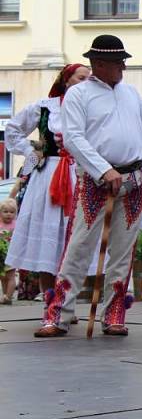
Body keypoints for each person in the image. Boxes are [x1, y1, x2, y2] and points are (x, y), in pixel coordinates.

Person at [33, 34, 142, 338]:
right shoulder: (78, 95)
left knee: (123, 252)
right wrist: (103, 169)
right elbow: (74, 138)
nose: (123, 66)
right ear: (98, 63)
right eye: (117, 62)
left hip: (134, 180)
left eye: (123, 61)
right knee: (78, 248)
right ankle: (58, 314)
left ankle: (114, 313)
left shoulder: (131, 93)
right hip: (96, 181)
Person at [5, 63, 90, 301]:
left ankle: (67, 301)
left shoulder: (92, 109)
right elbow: (13, 129)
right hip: (48, 174)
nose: (86, 83)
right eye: (81, 78)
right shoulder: (44, 107)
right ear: (66, 80)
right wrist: (36, 152)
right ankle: (50, 300)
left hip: (81, 173)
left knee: (75, 237)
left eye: (88, 79)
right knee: (47, 238)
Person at [0, 199, 18, 304]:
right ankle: (5, 294)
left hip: (11, 254)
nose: (8, 214)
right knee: (3, 276)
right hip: (1, 255)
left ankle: (8, 296)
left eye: (11, 212)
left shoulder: (15, 225)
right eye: (5, 211)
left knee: (11, 276)